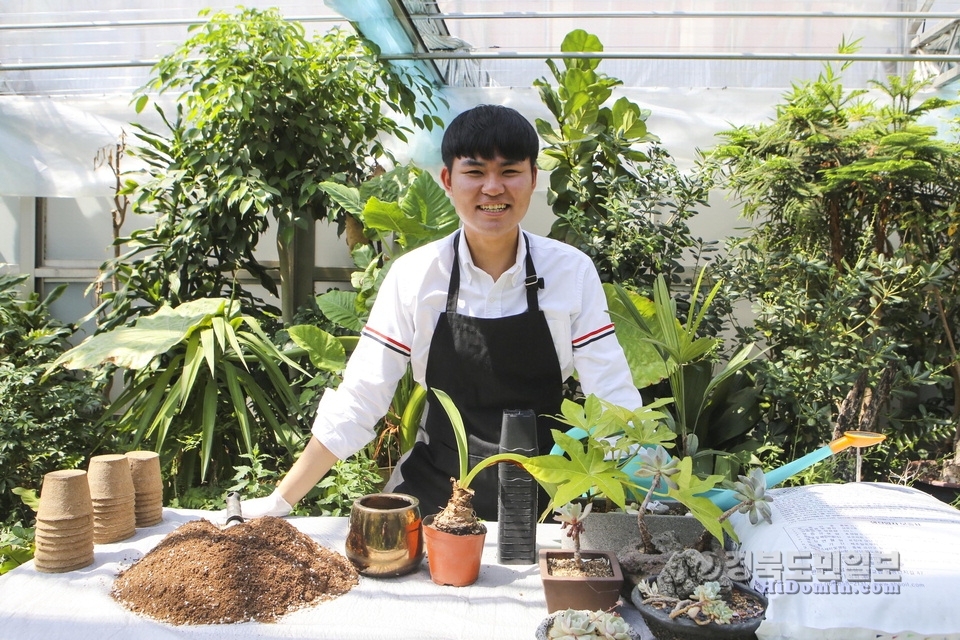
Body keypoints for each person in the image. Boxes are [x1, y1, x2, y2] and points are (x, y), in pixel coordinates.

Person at [239, 104, 642, 521]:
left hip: (541, 501)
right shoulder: (415, 276)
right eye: (474, 172)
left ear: (533, 178)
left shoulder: (570, 272)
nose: (492, 188)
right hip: (432, 494)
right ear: (447, 180)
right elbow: (361, 397)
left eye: (509, 172)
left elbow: (612, 396)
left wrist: (659, 489)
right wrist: (280, 501)